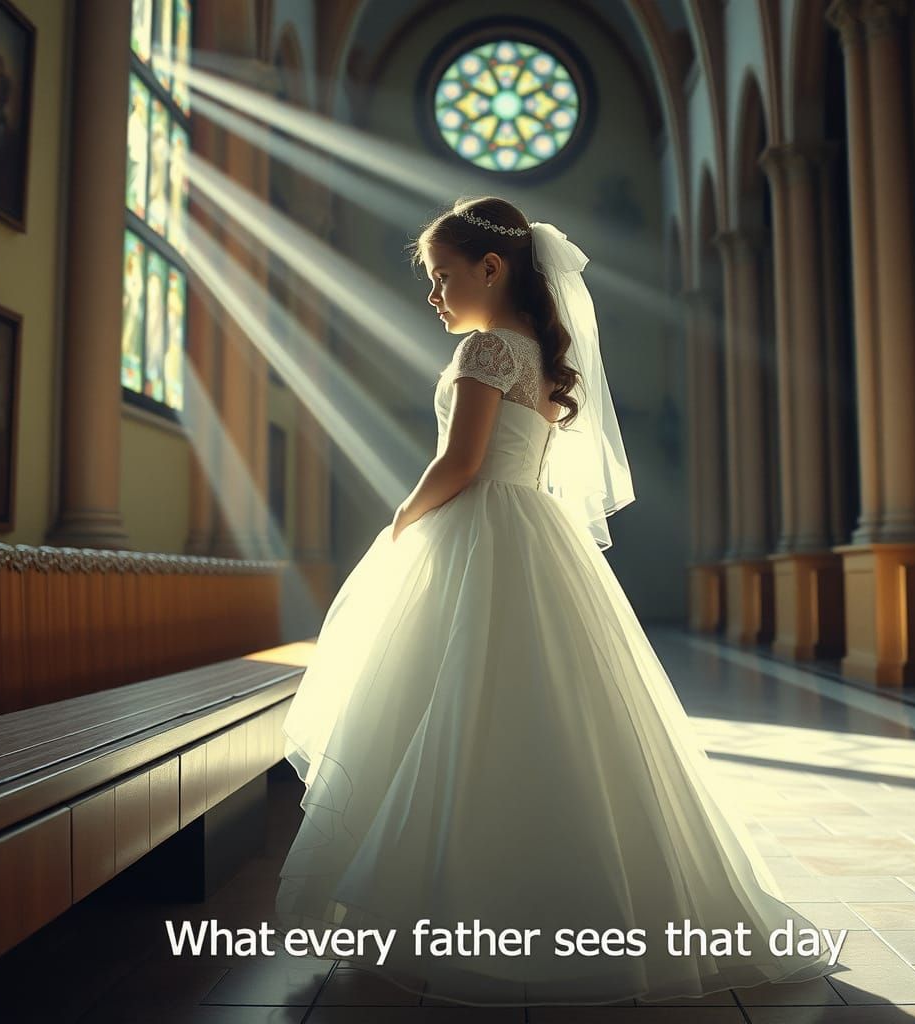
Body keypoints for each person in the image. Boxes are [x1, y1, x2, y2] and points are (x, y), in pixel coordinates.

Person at [274, 196, 840, 1006]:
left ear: (491, 268)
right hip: (534, 530)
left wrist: (402, 519)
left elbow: (460, 464)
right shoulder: (538, 350)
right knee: (547, 711)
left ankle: (455, 909)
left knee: (460, 707)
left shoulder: (484, 352)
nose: (434, 296)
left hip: (479, 529)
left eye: (442, 278)